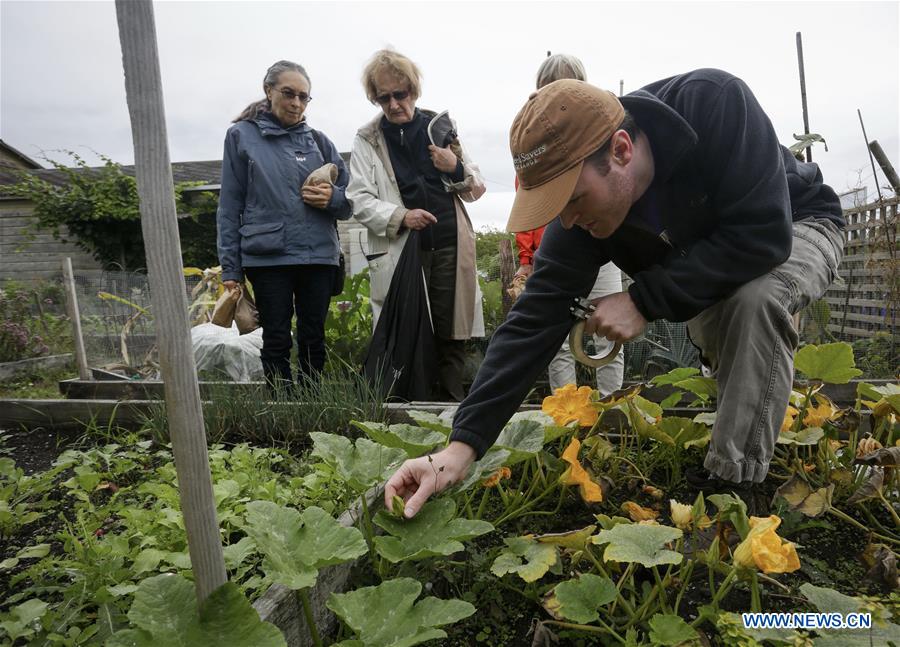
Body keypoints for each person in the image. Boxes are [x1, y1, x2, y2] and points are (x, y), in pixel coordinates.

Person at [385, 69, 844, 517]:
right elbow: (534, 320)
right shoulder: (582, 213)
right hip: (706, 257)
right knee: (732, 341)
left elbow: (763, 235)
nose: (566, 222)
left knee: (755, 302)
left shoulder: (715, 102)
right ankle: (741, 441)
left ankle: (733, 490)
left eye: (574, 201)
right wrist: (461, 447)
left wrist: (643, 301)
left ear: (621, 150)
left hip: (796, 221)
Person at [347, 49, 486, 402]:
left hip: (450, 241)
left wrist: (453, 165)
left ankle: (453, 407)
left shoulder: (437, 126)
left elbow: (476, 188)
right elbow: (359, 198)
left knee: (452, 327)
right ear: (375, 98)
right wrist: (401, 217)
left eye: (400, 94)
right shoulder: (368, 139)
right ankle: (409, 405)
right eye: (384, 97)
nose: (394, 104)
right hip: (403, 246)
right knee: (408, 327)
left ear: (413, 90)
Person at [216, 60, 351, 392]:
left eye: (304, 97)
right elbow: (230, 206)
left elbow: (349, 201)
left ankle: (312, 405)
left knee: (312, 337)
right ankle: (281, 407)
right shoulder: (241, 137)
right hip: (268, 257)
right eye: (288, 94)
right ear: (268, 91)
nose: (296, 103)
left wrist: (331, 199)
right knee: (275, 337)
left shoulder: (320, 143)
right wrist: (230, 269)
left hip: (318, 257)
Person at [512, 53, 624, 396]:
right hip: (554, 251)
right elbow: (529, 208)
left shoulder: (600, 128)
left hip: (599, 246)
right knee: (556, 338)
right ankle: (568, 412)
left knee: (609, 333)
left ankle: (612, 408)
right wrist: (527, 259)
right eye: (548, 90)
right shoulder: (531, 140)